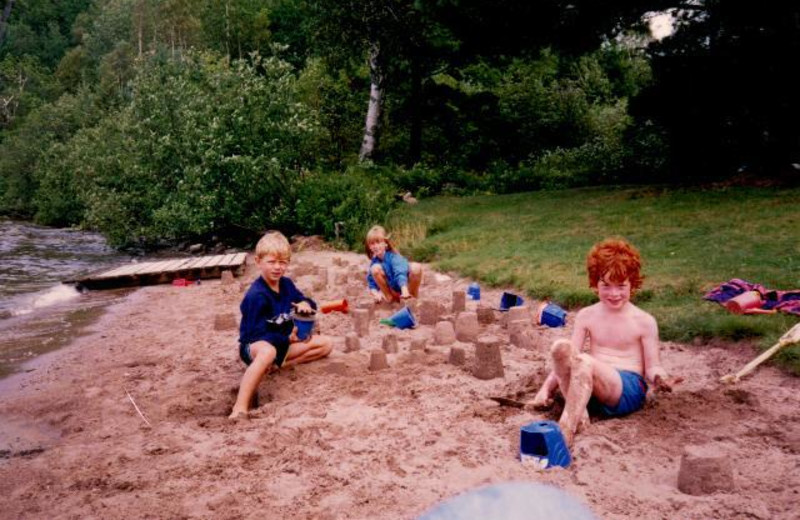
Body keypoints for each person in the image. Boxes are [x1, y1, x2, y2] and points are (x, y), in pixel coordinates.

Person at [530, 238, 680, 446]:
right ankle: (580, 416)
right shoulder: (586, 315)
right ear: (595, 283)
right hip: (587, 387)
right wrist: (545, 390)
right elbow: (568, 359)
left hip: (626, 389)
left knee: (584, 361)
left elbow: (652, 366)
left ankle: (566, 429)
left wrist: (661, 379)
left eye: (621, 286)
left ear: (633, 284)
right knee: (561, 349)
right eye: (606, 285)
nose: (614, 293)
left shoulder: (644, 321)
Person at [229, 231, 332, 419]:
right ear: (258, 261)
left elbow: (303, 300)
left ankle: (279, 365)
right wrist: (285, 337)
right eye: (272, 262)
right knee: (268, 352)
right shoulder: (256, 296)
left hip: (282, 344)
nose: (277, 267)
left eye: (282, 262)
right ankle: (240, 407)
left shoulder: (286, 285)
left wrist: (305, 304)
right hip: (255, 346)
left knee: (326, 344)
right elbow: (253, 334)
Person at [364, 225, 422, 303]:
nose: (375, 246)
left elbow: (400, 272)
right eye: (372, 244)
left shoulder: (394, 257)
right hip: (395, 292)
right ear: (369, 247)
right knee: (374, 269)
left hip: (406, 287)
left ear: (385, 243)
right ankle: (390, 299)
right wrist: (375, 294)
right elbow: (372, 283)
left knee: (416, 267)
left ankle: (411, 298)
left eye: (378, 242)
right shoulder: (374, 262)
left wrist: (404, 290)